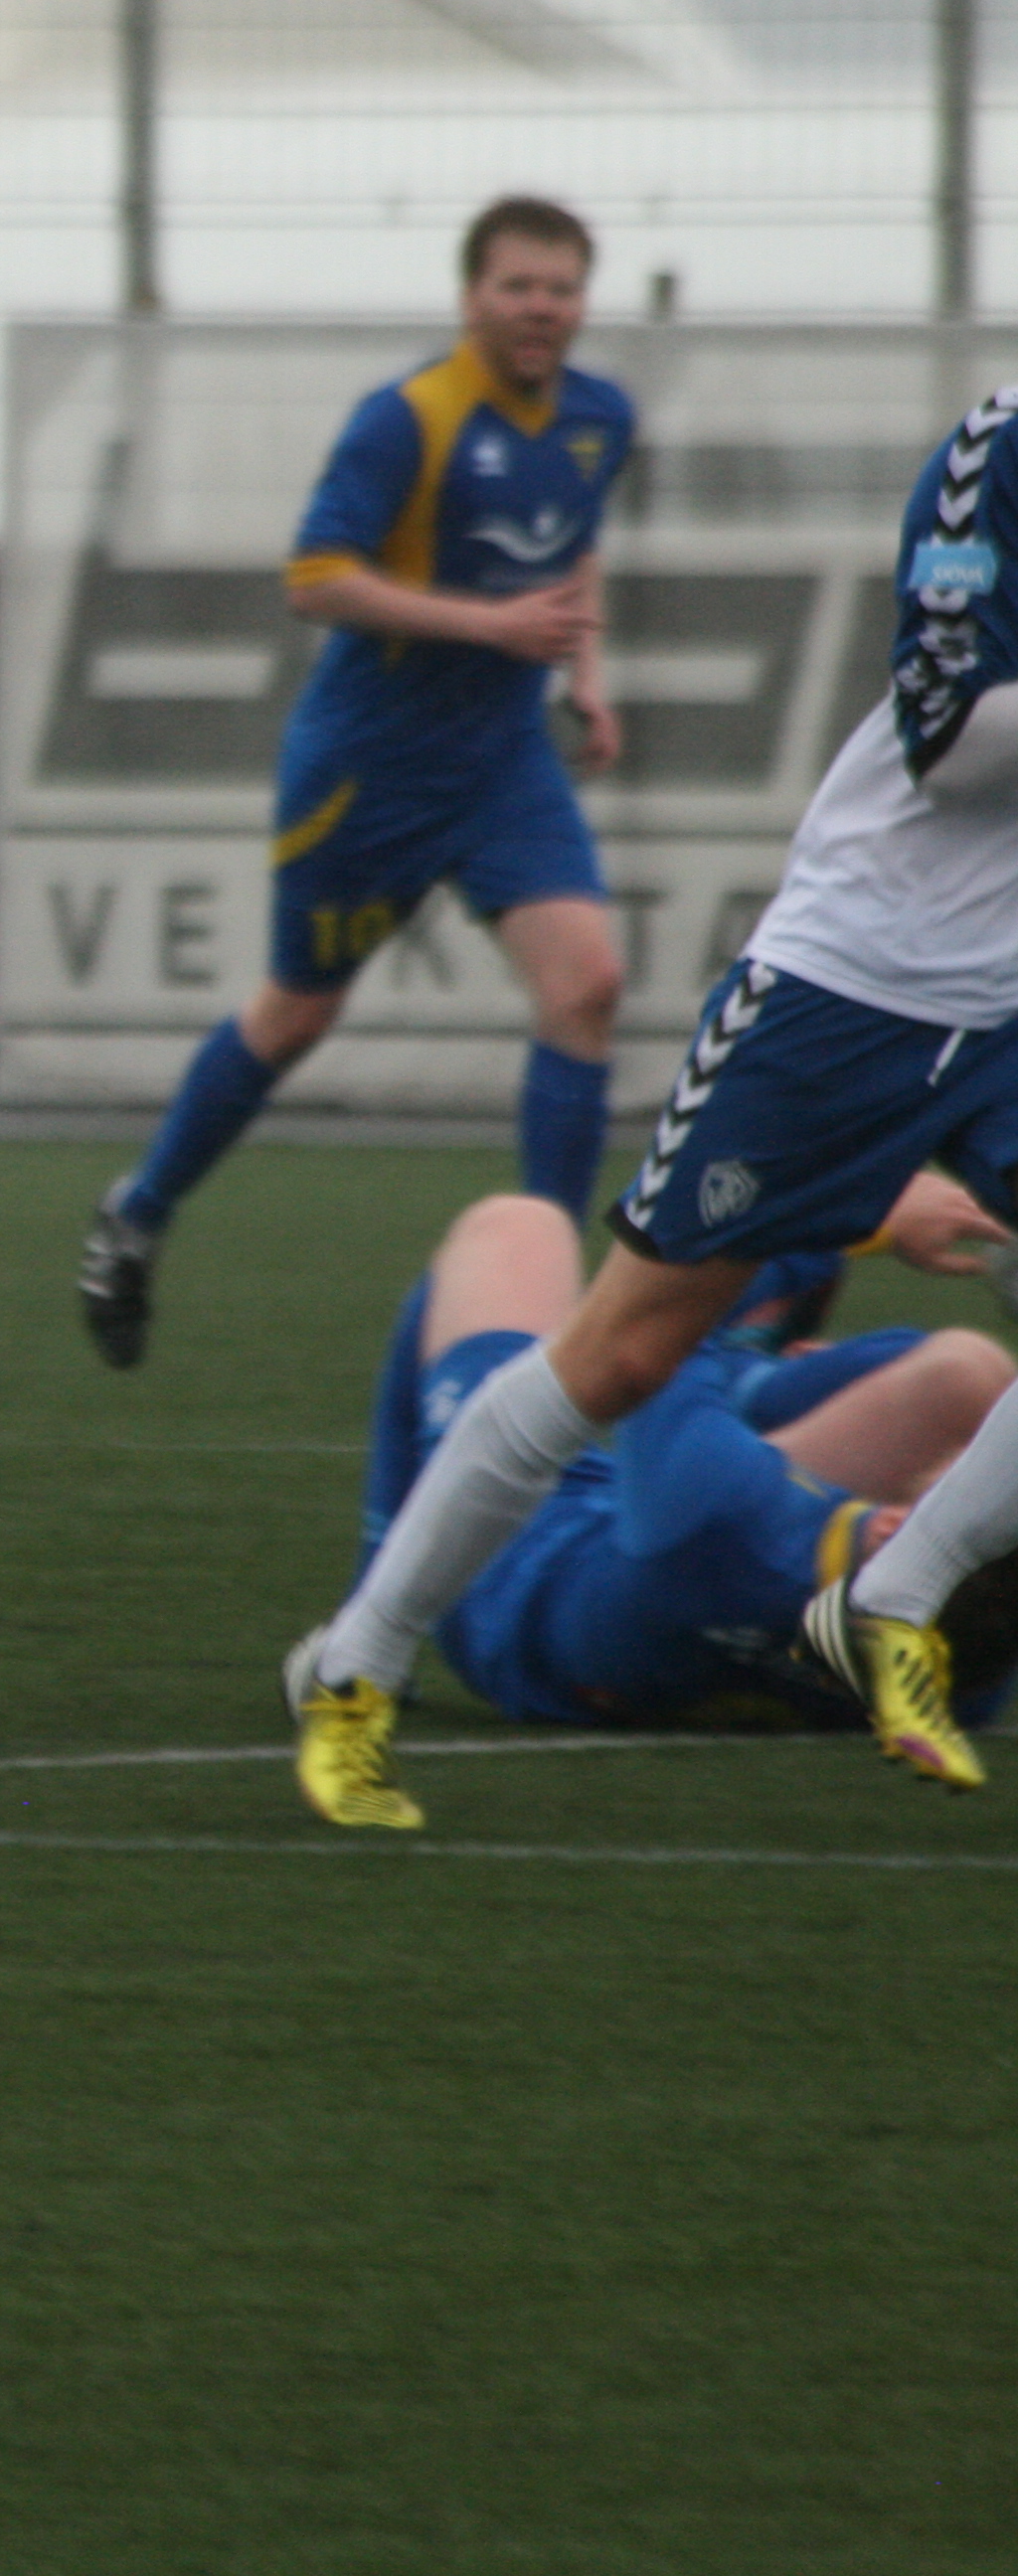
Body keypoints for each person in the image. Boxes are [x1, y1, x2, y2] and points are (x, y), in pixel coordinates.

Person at [285, 378, 1018, 1828]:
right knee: (621, 1354)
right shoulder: (997, 454)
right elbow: (951, 740)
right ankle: (359, 1667)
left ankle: (896, 1597)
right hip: (854, 987)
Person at [81, 197, 633, 1369]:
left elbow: (573, 540)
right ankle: (140, 1209)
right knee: (298, 1013)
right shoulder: (408, 420)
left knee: (587, 986)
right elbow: (315, 578)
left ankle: (551, 1298)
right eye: (518, 286)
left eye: (561, 288)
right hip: (368, 774)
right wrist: (490, 626)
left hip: (502, 764)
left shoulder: (600, 417)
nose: (541, 309)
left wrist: (587, 673)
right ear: (471, 296)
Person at [331, 1186, 1017, 1785]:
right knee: (968, 1380)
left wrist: (857, 1220)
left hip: (508, 1582)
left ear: (894, 1525)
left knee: (518, 1226)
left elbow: (661, 1315)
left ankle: (378, 1605)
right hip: (709, 1606)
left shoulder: (717, 1513)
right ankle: (752, 1383)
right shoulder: (964, 1690)